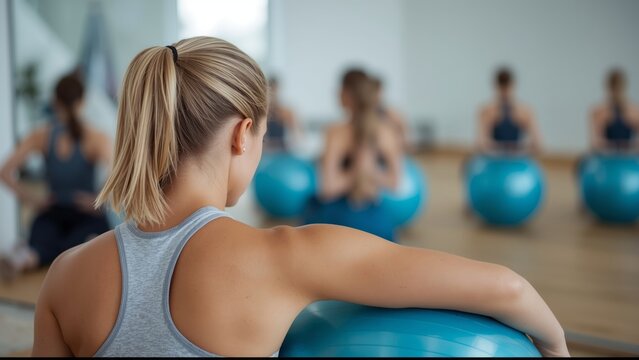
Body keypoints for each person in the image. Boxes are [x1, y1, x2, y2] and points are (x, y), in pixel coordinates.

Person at [32, 37, 568, 357]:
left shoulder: (64, 275)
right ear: (243, 134)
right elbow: (509, 288)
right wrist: (559, 348)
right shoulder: (286, 257)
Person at [0, 74, 112, 281]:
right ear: (83, 102)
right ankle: (32, 255)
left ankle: (26, 256)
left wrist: (32, 200)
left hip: (54, 209)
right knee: (76, 247)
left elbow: (4, 171)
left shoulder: (41, 134)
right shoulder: (96, 137)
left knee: (49, 243)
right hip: (81, 213)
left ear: (55, 102)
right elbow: (119, 173)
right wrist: (98, 198)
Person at [308, 70, 403, 241]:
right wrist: (366, 170)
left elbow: (327, 189)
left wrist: (356, 171)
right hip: (377, 224)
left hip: (337, 222)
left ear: (347, 94)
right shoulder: (387, 132)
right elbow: (395, 184)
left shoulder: (335, 132)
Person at [476, 67, 542, 154]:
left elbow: (539, 145)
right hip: (494, 159)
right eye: (502, 88)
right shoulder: (487, 111)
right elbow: (479, 144)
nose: (505, 92)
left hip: (516, 159)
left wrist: (524, 147)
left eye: (507, 88)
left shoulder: (524, 111)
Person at [589, 68, 639, 152]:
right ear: (609, 89)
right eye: (614, 89)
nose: (617, 92)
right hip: (608, 157)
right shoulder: (600, 112)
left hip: (628, 158)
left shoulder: (634, 112)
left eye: (619, 88)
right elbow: (595, 144)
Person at [370, 75, 409, 149]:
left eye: (379, 91)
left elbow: (404, 134)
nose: (377, 95)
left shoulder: (391, 113)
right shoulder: (364, 115)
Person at [263, 77, 300, 151]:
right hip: (267, 150)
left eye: (275, 90)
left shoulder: (286, 113)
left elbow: (297, 137)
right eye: (271, 92)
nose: (273, 95)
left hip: (282, 150)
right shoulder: (263, 113)